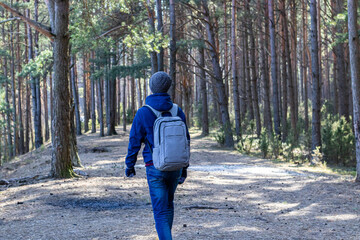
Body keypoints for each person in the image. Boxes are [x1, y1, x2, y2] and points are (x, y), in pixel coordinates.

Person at [125, 71, 189, 240]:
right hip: (175, 166)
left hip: (154, 167)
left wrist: (129, 165)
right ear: (168, 87)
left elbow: (134, 141)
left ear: (151, 87)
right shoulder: (177, 111)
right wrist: (184, 169)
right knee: (168, 205)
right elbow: (185, 141)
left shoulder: (143, 112)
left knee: (160, 210)